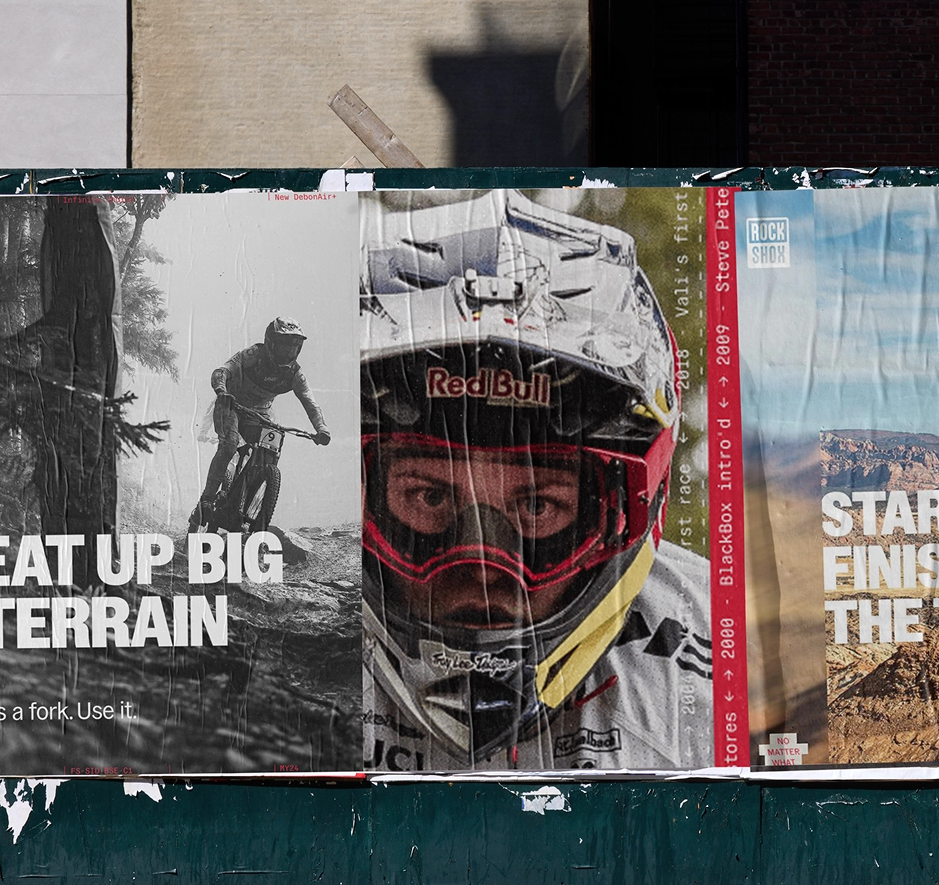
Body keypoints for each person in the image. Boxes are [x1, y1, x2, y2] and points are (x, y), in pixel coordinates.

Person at [357, 190, 713, 772]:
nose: (479, 566)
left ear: (629, 509)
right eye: (427, 496)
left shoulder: (728, 657)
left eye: (539, 506)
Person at [191, 317, 332, 529]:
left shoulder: (295, 373)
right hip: (231, 405)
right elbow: (222, 371)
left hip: (261, 414)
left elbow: (310, 402)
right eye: (285, 345)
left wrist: (321, 428)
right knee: (229, 445)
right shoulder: (252, 355)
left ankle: (247, 505)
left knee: (270, 455)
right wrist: (222, 391)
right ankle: (207, 500)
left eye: (294, 346)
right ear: (271, 342)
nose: (289, 351)